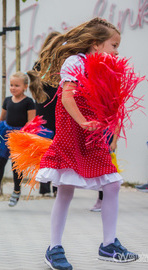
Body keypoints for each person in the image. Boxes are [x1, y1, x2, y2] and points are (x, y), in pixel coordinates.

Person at [36, 17, 139, 269]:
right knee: (66, 189)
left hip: (93, 136)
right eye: (113, 45)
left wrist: (110, 128)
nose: (117, 51)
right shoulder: (75, 62)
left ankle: (108, 245)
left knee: (113, 183)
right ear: (95, 44)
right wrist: (83, 122)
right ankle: (54, 247)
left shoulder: (105, 67)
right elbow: (68, 97)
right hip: (73, 133)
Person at [0, 71, 37, 207]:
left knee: (16, 166)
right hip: (6, 132)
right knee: (0, 160)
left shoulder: (28, 102)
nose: (13, 88)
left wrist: (24, 134)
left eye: (17, 85)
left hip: (20, 134)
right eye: (11, 85)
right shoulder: (7, 100)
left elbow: (31, 121)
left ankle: (16, 191)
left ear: (25, 87)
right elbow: (2, 117)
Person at [33, 31, 60, 197]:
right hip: (44, 111)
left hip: (60, 111)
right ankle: (44, 185)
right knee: (44, 148)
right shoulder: (39, 65)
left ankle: (58, 185)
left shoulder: (65, 65)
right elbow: (37, 91)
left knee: (58, 148)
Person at [90, 132, 119, 212]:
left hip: (107, 142)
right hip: (98, 140)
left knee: (105, 174)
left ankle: (103, 200)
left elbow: (117, 126)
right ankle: (101, 199)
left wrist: (114, 142)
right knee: (100, 173)